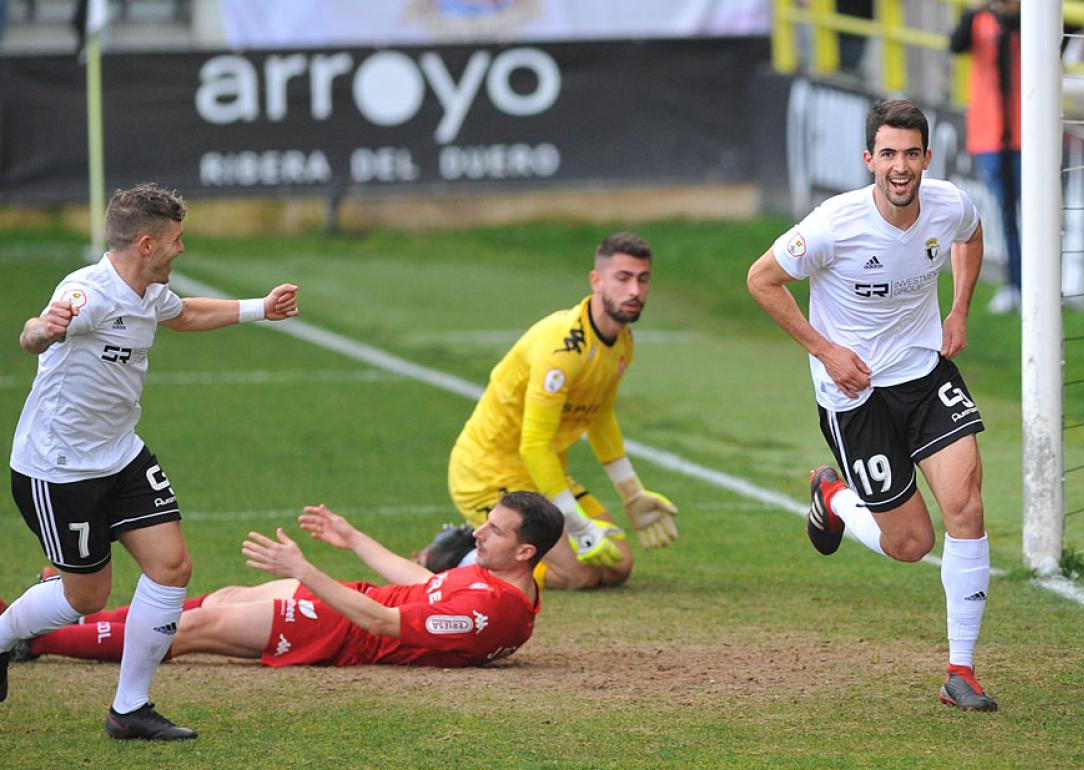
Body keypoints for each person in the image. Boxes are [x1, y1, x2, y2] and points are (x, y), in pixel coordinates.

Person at [0, 183, 301, 740]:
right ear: (145, 244)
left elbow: (181, 314)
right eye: (175, 240)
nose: (180, 249)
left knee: (172, 568)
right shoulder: (86, 293)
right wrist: (45, 329)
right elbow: (31, 332)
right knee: (85, 598)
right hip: (60, 468)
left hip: (121, 453)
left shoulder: (146, 292)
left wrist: (262, 308)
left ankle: (129, 709)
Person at [746, 100, 997, 711]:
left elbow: (971, 234)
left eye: (911, 153)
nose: (901, 166)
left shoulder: (948, 204)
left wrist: (959, 307)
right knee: (911, 543)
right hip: (853, 393)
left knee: (965, 506)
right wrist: (826, 351)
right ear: (869, 160)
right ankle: (832, 498)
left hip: (924, 374)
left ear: (927, 158)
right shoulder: (835, 223)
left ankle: (960, 670)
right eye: (888, 154)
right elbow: (761, 280)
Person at [7, 493, 562, 673]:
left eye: (494, 530)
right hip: (348, 606)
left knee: (196, 625)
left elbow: (385, 623)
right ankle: (53, 621)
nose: (479, 533)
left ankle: (33, 639)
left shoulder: (495, 611)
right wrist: (353, 538)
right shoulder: (491, 581)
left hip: (342, 631)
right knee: (218, 600)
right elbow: (423, 583)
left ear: (526, 551)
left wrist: (305, 571)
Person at [440, 232, 679, 590]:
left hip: (542, 476)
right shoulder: (563, 349)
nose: (634, 290)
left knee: (618, 565)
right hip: (487, 474)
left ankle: (510, 548)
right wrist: (579, 526)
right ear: (596, 281)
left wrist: (631, 492)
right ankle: (459, 555)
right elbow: (533, 445)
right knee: (577, 574)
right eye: (623, 278)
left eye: (642, 280)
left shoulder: (622, 343)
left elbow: (599, 416)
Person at [950, 0, 1022, 315]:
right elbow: (955, 44)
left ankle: (1039, 283)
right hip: (988, 134)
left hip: (1027, 134)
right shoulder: (977, 20)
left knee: (1036, 212)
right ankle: (1015, 284)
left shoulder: (1029, 19)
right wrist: (976, 9)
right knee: (1006, 213)